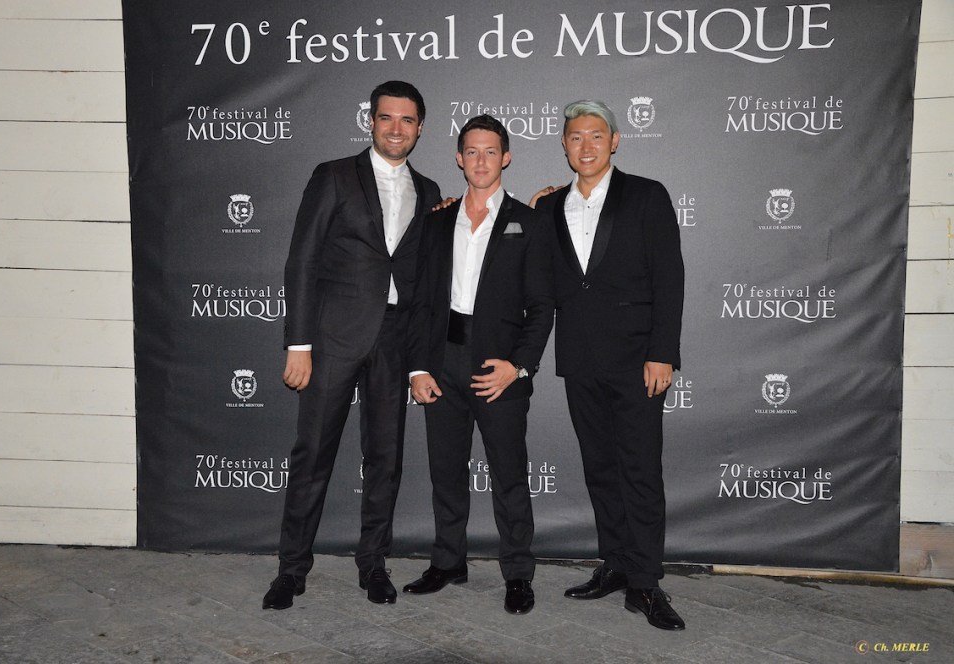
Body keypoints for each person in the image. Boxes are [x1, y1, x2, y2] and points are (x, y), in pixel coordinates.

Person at [264, 81, 441, 610]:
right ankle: (291, 570)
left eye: (407, 120)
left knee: (385, 458)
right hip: (333, 338)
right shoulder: (334, 175)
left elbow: (425, 272)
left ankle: (374, 564)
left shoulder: (429, 190)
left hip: (394, 339)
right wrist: (299, 343)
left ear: (420, 128)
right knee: (313, 454)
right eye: (387, 118)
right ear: (371, 121)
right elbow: (302, 259)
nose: (396, 129)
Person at [532, 100, 686, 630]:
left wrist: (662, 352)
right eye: (576, 137)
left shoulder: (646, 195)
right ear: (564, 145)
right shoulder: (549, 207)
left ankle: (645, 583)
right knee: (600, 469)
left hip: (638, 360)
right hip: (579, 360)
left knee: (639, 471)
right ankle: (616, 564)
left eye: (597, 135)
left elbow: (669, 277)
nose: (587, 145)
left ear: (615, 141)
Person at [403, 115, 554, 614]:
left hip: (499, 367)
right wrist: (418, 368)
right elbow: (421, 302)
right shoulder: (436, 220)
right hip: (443, 358)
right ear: (458, 158)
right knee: (446, 470)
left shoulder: (529, 223)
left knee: (509, 475)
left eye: (491, 151)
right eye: (472, 151)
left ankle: (518, 573)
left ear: (506, 157)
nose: (481, 160)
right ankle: (448, 561)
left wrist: (519, 366)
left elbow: (542, 307)